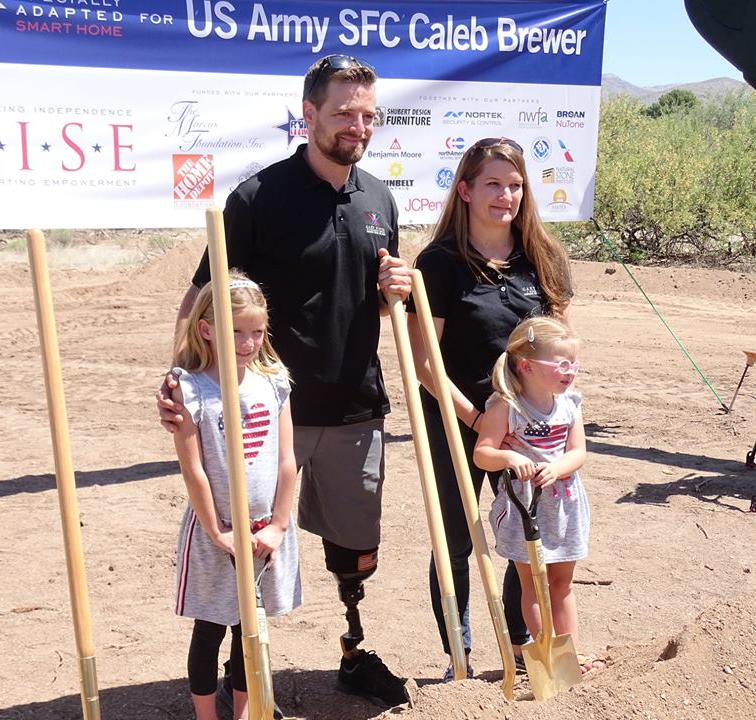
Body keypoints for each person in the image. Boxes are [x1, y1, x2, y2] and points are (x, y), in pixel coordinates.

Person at [158, 55, 412, 709]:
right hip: (269, 414)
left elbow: (370, 303)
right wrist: (178, 377)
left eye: (367, 115)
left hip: (358, 407)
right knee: (252, 549)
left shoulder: (380, 200)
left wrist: (393, 294)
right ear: (309, 115)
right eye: (343, 113)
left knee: (357, 551)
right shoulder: (258, 198)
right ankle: (240, 685)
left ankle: (353, 649)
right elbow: (201, 299)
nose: (358, 126)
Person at [405, 137, 573, 680]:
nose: (506, 196)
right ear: (465, 190)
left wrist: (553, 412)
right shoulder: (439, 263)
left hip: (530, 425)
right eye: (493, 184)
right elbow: (426, 364)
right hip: (458, 419)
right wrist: (480, 422)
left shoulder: (542, 259)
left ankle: (523, 650)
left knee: (528, 536)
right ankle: (461, 657)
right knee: (457, 535)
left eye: (516, 185)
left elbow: (561, 343)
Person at [170, 273, 302, 720]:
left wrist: (280, 524)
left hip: (266, 531)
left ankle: (245, 712)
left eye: (257, 332)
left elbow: (288, 460)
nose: (247, 343)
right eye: (235, 332)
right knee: (210, 629)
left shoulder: (274, 381)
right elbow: (194, 470)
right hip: (217, 532)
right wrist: (218, 532)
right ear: (207, 329)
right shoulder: (191, 389)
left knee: (252, 629)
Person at [472, 316, 589, 666]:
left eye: (574, 364)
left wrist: (557, 468)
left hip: (565, 506)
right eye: (562, 363)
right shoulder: (506, 407)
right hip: (526, 509)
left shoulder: (569, 404)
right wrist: (509, 456)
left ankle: (572, 656)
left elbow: (578, 452)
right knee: (534, 585)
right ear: (526, 366)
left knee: (562, 585)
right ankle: (548, 657)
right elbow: (483, 453)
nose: (570, 372)